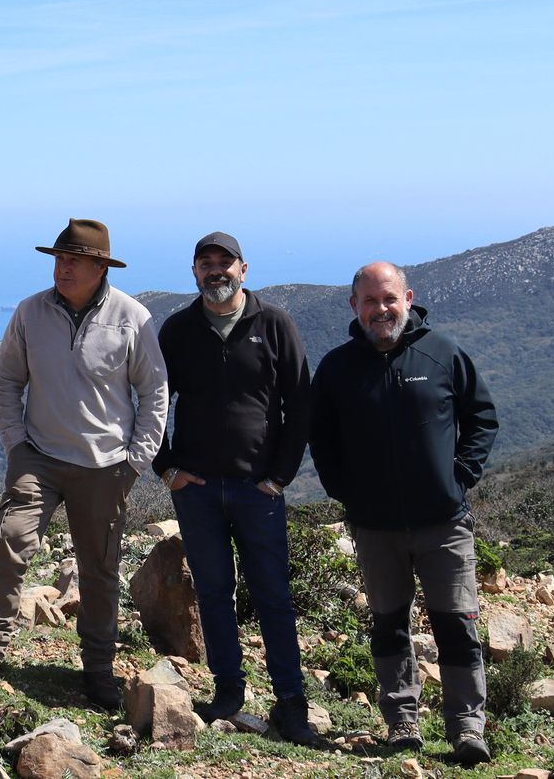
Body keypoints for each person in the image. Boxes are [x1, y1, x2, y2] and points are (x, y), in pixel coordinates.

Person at [0, 218, 168, 710]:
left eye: (74, 260)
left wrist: (134, 462)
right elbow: (7, 380)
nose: (63, 267)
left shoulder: (132, 317)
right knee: (10, 540)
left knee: (99, 569)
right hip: (39, 457)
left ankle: (97, 669)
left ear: (100, 267)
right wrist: (16, 445)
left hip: (106, 466)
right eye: (58, 258)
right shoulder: (32, 312)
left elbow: (154, 392)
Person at [310, 261, 499, 765]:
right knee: (388, 622)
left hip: (443, 522)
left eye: (389, 298)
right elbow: (321, 437)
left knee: (456, 622)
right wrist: (342, 490)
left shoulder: (442, 353)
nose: (381, 309)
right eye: (370, 301)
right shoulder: (337, 367)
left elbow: (481, 416)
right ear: (354, 306)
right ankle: (403, 723)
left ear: (408, 298)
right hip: (374, 525)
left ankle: (466, 728)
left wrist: (459, 476)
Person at [151, 231, 321, 746]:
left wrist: (280, 476)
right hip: (196, 490)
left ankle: (291, 703)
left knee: (273, 596)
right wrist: (167, 468)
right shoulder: (178, 330)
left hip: (258, 490)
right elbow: (151, 400)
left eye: (225, 263)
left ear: (244, 270)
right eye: (206, 263)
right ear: (194, 272)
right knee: (213, 594)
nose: (215, 271)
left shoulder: (274, 324)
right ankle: (228, 692)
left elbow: (301, 403)